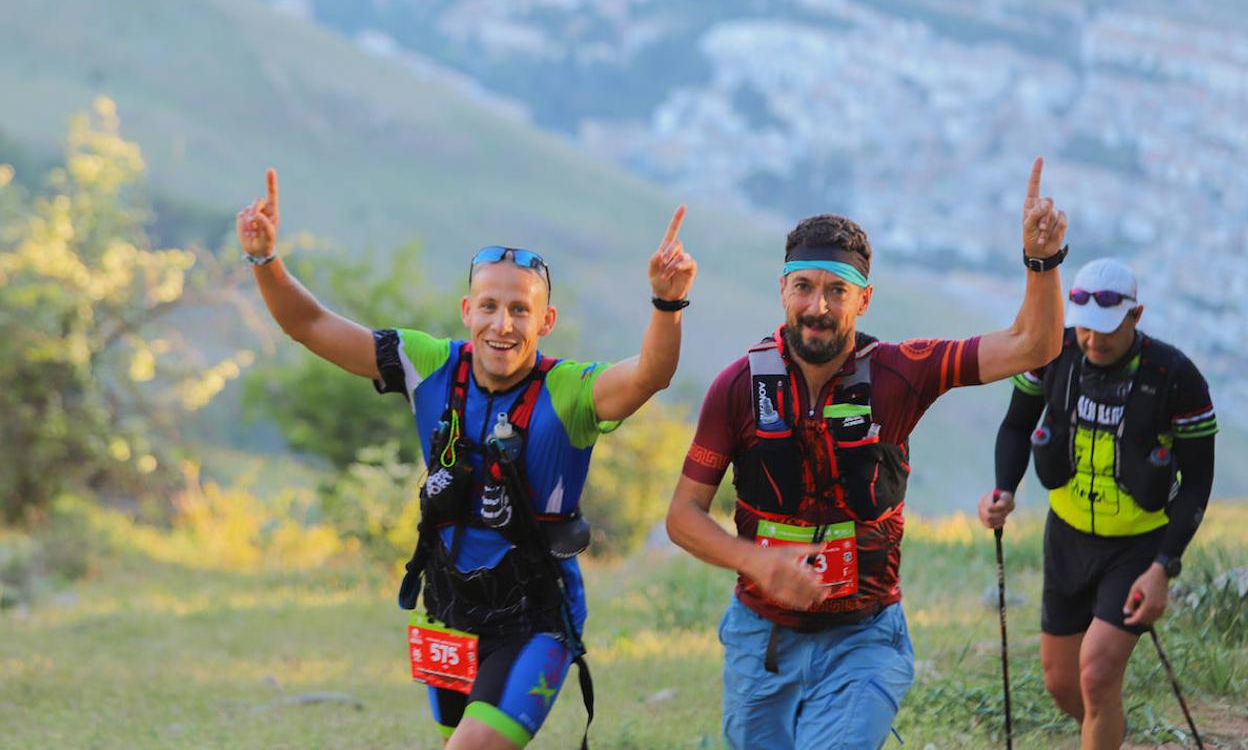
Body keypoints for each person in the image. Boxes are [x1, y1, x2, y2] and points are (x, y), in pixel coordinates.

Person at [236, 169, 697, 750]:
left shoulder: (572, 393)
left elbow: (651, 374)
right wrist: (265, 260)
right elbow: (310, 325)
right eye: (489, 306)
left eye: (520, 311)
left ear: (544, 321)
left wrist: (667, 301)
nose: (502, 325)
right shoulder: (427, 364)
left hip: (534, 618)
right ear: (466, 311)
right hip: (446, 609)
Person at [665, 158, 1069, 750]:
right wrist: (758, 563)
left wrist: (1042, 263)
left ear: (865, 300)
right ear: (782, 289)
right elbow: (682, 516)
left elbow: (1034, 344)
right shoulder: (738, 388)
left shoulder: (899, 374)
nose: (818, 307)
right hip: (761, 638)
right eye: (803, 287)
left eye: (837, 291)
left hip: (864, 637)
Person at [978, 257, 1216, 750]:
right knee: (1061, 683)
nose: (1094, 341)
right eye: (1085, 329)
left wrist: (1162, 567)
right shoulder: (1052, 353)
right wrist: (1004, 490)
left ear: (1136, 315)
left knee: (1097, 673)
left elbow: (1196, 481)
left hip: (1136, 545)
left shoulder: (1176, 376)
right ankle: (1111, 734)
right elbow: (1016, 425)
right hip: (1066, 538)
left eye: (1107, 330)